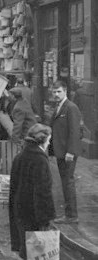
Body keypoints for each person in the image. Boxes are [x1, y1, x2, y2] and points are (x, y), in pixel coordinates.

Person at [9, 123, 56, 260]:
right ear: (43, 140)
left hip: (20, 208)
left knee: (32, 244)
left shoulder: (20, 157)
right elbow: (42, 190)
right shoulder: (40, 159)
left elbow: (13, 185)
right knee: (31, 247)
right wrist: (46, 216)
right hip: (34, 209)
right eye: (49, 140)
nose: (50, 143)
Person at [48, 80, 81, 224]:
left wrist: (71, 152)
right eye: (54, 92)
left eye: (59, 92)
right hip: (60, 151)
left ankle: (72, 215)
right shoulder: (58, 107)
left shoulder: (70, 108)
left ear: (65, 91)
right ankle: (69, 214)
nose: (56, 94)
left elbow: (75, 131)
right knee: (65, 182)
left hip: (67, 153)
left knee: (68, 183)